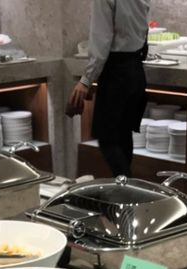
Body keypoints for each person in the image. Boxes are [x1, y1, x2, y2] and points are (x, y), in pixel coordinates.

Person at [68, 0, 151, 178]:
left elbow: (102, 39)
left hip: (116, 72)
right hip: (136, 70)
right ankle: (125, 189)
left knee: (107, 138)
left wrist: (86, 80)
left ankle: (127, 188)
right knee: (123, 135)